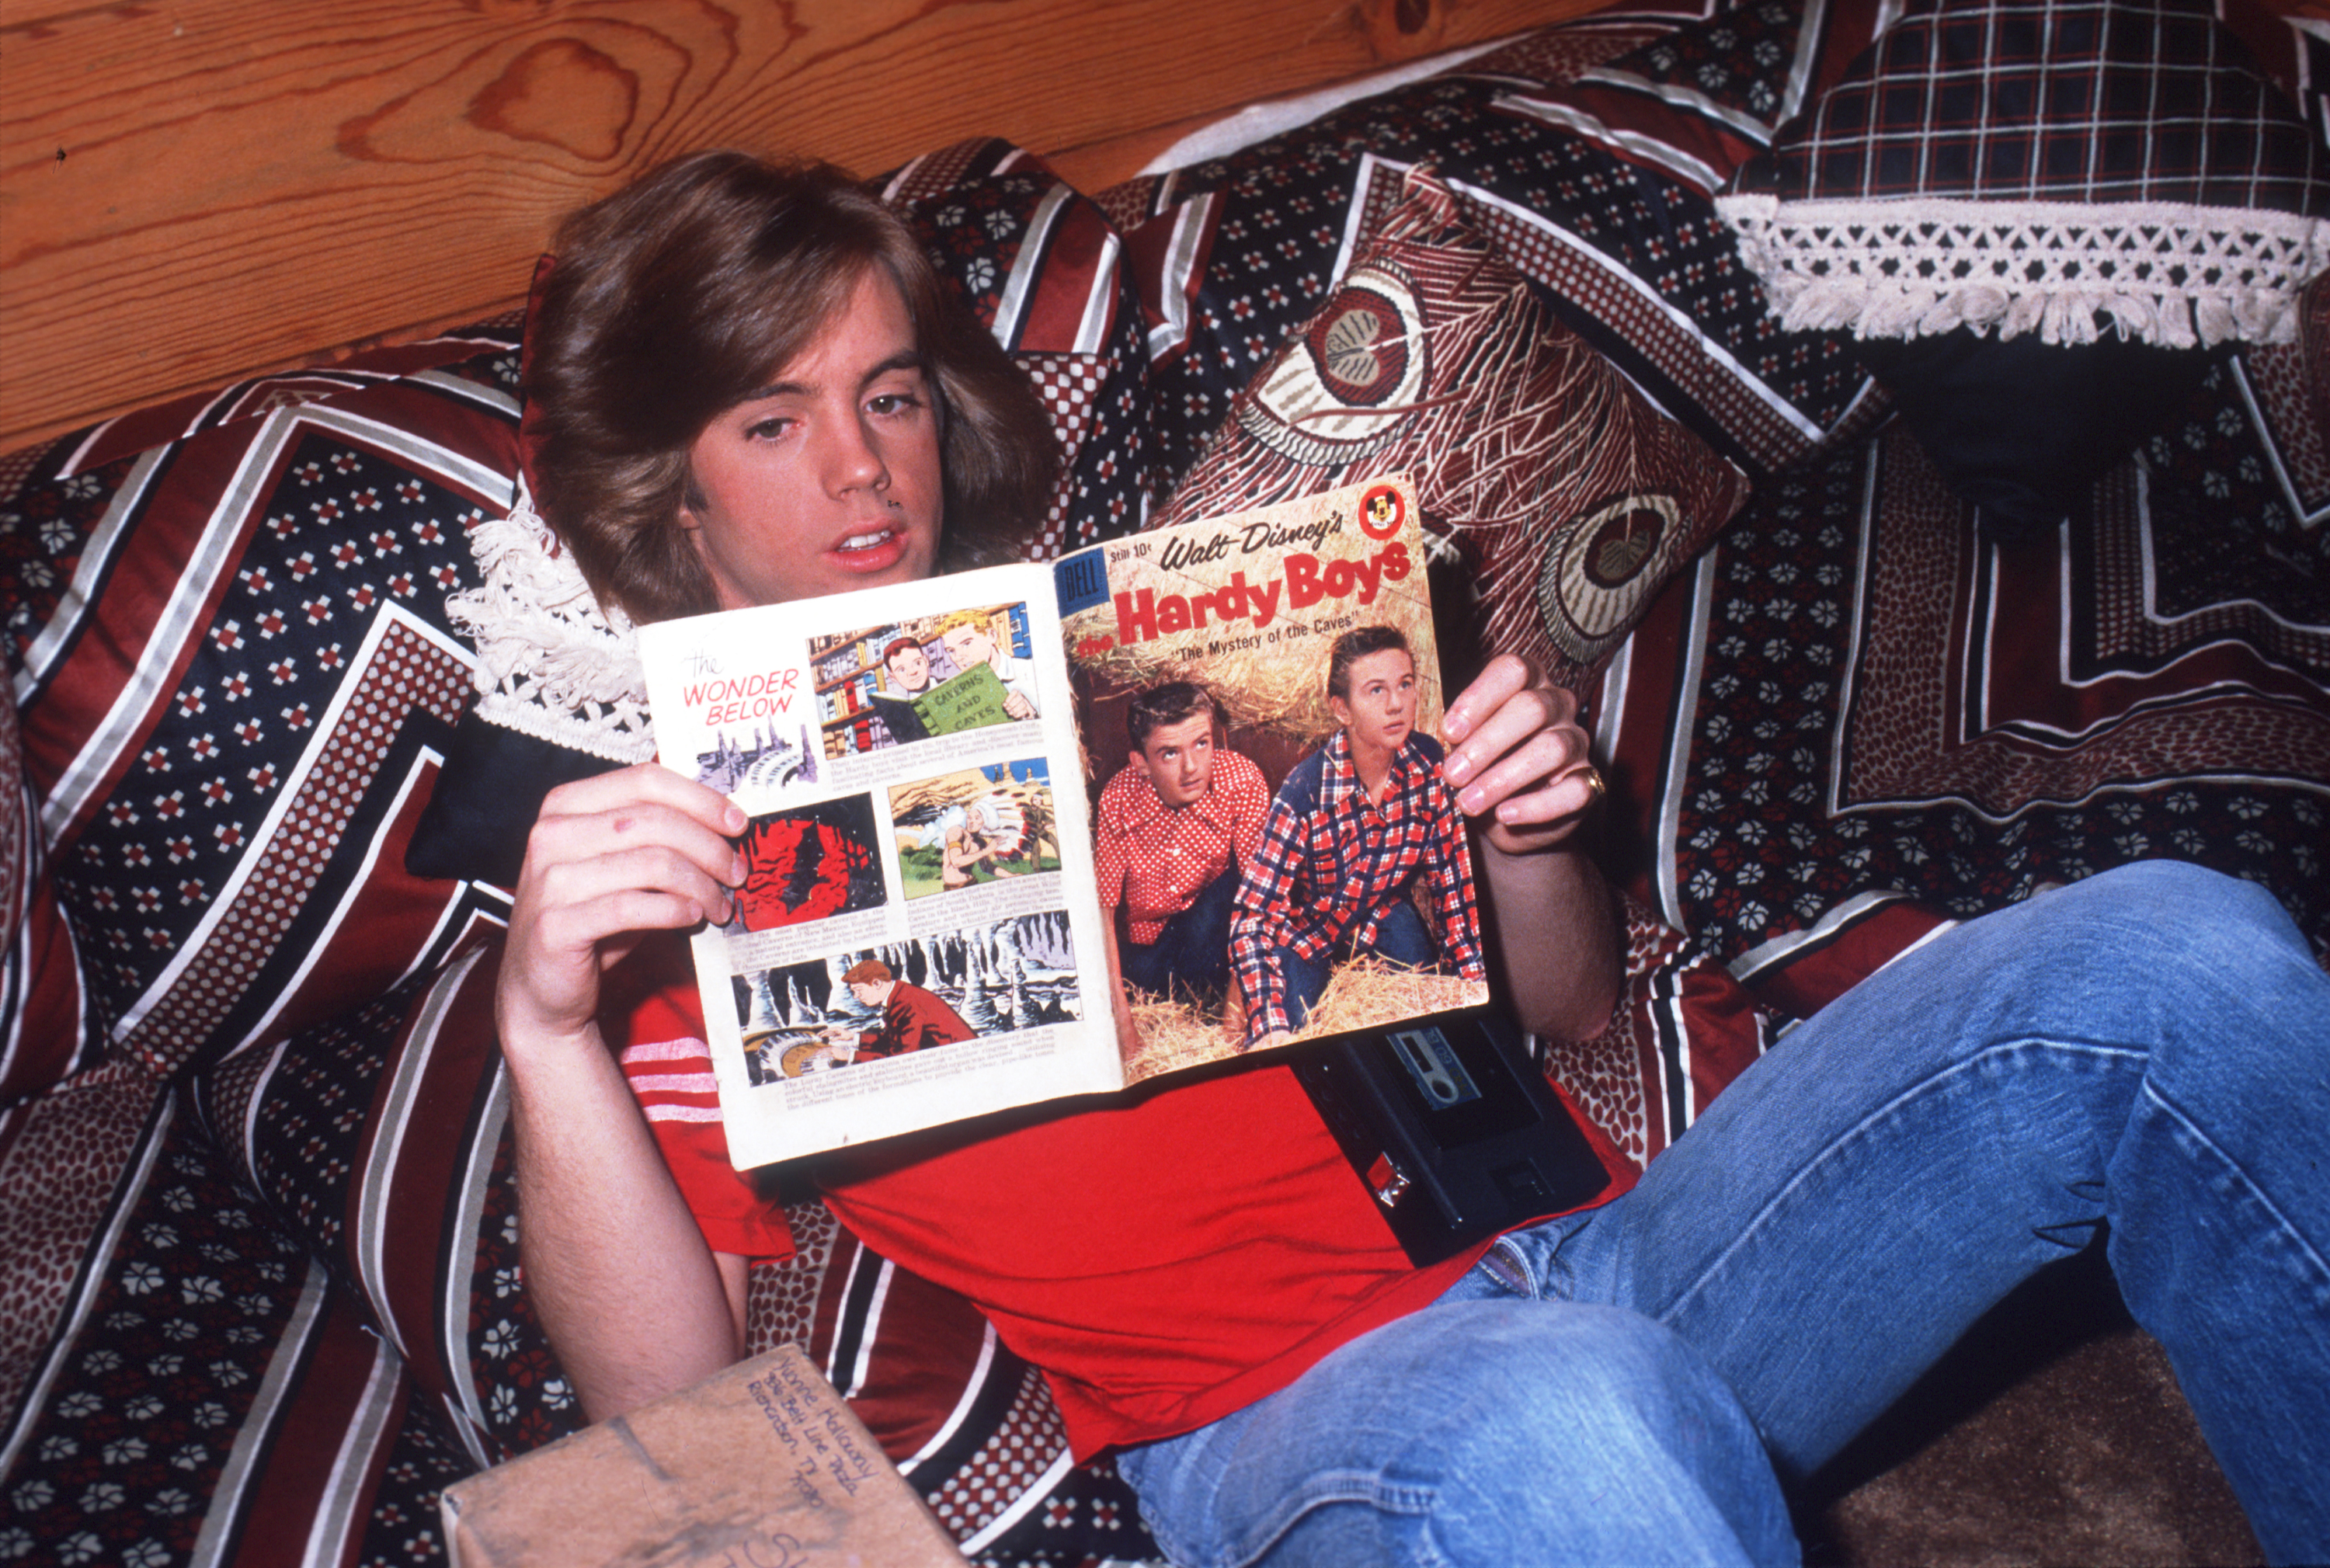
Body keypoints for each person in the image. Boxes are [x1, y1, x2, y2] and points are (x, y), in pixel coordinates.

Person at [496, 150, 2330, 1566]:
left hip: (1619, 1250)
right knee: (1566, 1405)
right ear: (672, 485)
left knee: (2180, 956)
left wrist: (1525, 831)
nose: (862, 471)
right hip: (1297, 1424)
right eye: (773, 419)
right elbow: (668, 1408)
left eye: (887, 394)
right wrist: (546, 1027)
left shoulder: (1164, 653)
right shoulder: (689, 857)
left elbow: (1562, 1000)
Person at [1229, 626, 1485, 1050]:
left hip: (1382, 919)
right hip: (1308, 934)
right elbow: (1252, 919)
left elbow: (1455, 888)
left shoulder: (1429, 767)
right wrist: (1270, 1023)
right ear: (1342, 710)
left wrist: (1472, 989)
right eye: (1376, 691)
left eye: (1405, 684)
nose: (1397, 704)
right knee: (1294, 1039)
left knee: (1422, 1015)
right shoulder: (1304, 792)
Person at [1094, 681, 1268, 1041]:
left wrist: (1233, 1024)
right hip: (1147, 962)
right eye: (1170, 754)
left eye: (1201, 744)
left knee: (1244, 886)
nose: (1191, 768)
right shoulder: (1119, 797)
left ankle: (1219, 1006)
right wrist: (1126, 1030)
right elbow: (1103, 913)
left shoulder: (1241, 780)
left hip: (1213, 944)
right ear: (1141, 764)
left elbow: (1257, 903)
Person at [827, 958, 976, 1059]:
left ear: (877, 984)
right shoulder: (900, 994)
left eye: (859, 990)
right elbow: (895, 1040)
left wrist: (849, 1056)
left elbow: (899, 1058)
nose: (855, 997)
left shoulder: (906, 1004)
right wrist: (853, 1037)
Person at [936, 607, 1039, 719]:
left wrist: (1032, 715)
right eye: (951, 651)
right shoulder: (959, 695)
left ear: (992, 635)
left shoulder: (1031, 671)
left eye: (967, 644)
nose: (958, 657)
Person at [865, 635, 937, 745]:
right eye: (902, 670)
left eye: (917, 663)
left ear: (926, 661)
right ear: (893, 677)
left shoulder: (950, 683)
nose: (913, 672)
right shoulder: (901, 712)